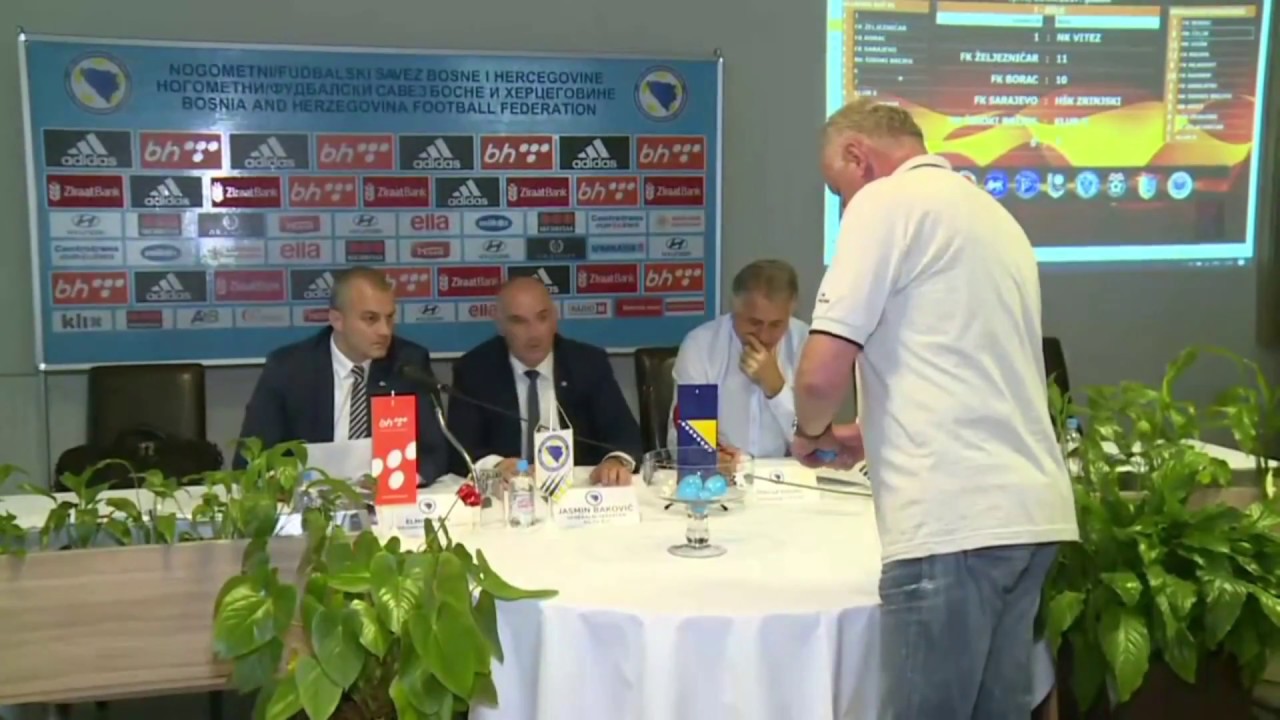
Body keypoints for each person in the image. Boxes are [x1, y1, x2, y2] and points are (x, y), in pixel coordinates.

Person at [790, 98, 1079, 718]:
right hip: (1029, 516)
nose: (842, 205)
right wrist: (871, 433)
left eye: (837, 189)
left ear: (857, 156)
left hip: (951, 522)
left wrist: (808, 433)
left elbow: (818, 377)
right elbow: (968, 366)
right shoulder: (993, 216)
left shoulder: (883, 203)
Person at [235, 266, 449, 484]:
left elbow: (435, 452)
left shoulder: (408, 363)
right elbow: (252, 458)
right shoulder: (289, 368)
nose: (385, 331)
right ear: (337, 320)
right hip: (308, 496)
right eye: (370, 319)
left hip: (386, 494)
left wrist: (398, 480)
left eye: (389, 318)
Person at [447, 277, 642, 486]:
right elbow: (459, 448)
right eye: (519, 321)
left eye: (542, 318)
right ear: (500, 325)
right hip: (510, 490)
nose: (534, 333)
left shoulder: (587, 363)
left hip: (578, 489)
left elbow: (624, 434)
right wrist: (496, 466)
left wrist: (615, 461)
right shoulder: (474, 370)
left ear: (555, 319)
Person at [667, 260, 808, 465]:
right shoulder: (701, 347)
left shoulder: (806, 344)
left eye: (776, 325)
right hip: (722, 475)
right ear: (734, 308)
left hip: (789, 474)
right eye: (754, 323)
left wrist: (776, 388)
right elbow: (684, 443)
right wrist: (712, 458)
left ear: (791, 310)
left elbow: (812, 441)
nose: (764, 336)